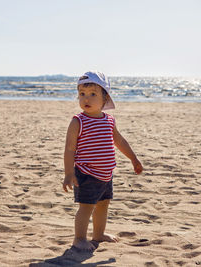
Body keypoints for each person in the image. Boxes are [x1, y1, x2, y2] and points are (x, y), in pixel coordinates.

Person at [63, 71, 143, 251]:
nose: (86, 99)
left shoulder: (109, 120)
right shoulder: (78, 121)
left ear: (105, 98)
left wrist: (133, 159)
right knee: (86, 207)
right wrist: (69, 173)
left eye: (93, 94)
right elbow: (69, 149)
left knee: (103, 205)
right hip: (86, 173)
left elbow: (119, 141)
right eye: (82, 94)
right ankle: (79, 238)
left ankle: (98, 234)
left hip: (106, 174)